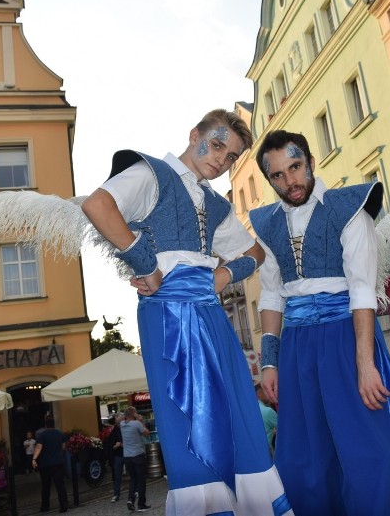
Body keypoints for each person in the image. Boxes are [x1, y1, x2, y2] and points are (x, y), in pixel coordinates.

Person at [81, 109, 290, 515]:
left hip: (210, 311)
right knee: (185, 417)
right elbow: (98, 204)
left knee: (238, 410)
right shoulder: (152, 173)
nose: (220, 159)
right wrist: (146, 266)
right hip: (167, 311)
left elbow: (256, 252)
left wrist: (225, 273)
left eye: (230, 157)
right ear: (194, 133)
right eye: (215, 145)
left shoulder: (215, 203)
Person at [249, 130, 390, 515]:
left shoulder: (348, 206)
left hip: (346, 338)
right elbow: (272, 296)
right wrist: (269, 363)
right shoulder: (267, 224)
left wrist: (366, 363)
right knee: (303, 458)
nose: (290, 181)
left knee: (366, 452)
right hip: (296, 346)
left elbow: (361, 290)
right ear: (269, 180)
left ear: (310, 162)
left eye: (295, 167)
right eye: (278, 175)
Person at [31, 417, 68, 513]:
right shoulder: (60, 434)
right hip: (59, 462)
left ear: (45, 425)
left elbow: (39, 447)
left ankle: (45, 506)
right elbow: (63, 447)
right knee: (60, 485)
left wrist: (34, 458)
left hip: (46, 464)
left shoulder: (42, 435)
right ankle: (64, 504)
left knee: (46, 486)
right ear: (53, 424)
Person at [120, 407, 150, 512]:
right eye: (136, 412)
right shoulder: (136, 424)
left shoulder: (122, 425)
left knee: (133, 479)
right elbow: (147, 434)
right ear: (133, 414)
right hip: (138, 455)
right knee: (141, 480)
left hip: (127, 456)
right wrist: (141, 421)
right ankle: (141, 504)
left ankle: (130, 500)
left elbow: (122, 419)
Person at [103, 413, 125, 503]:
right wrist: (115, 446)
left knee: (133, 473)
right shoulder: (114, 431)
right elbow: (109, 446)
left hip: (128, 453)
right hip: (118, 455)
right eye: (117, 423)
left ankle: (135, 490)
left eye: (120, 422)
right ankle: (116, 494)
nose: (119, 424)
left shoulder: (127, 428)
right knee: (117, 475)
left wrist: (123, 444)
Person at [254, 382, 278, 454]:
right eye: (269, 391)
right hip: (266, 452)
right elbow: (285, 430)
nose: (272, 394)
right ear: (259, 393)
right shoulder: (267, 411)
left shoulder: (249, 409)